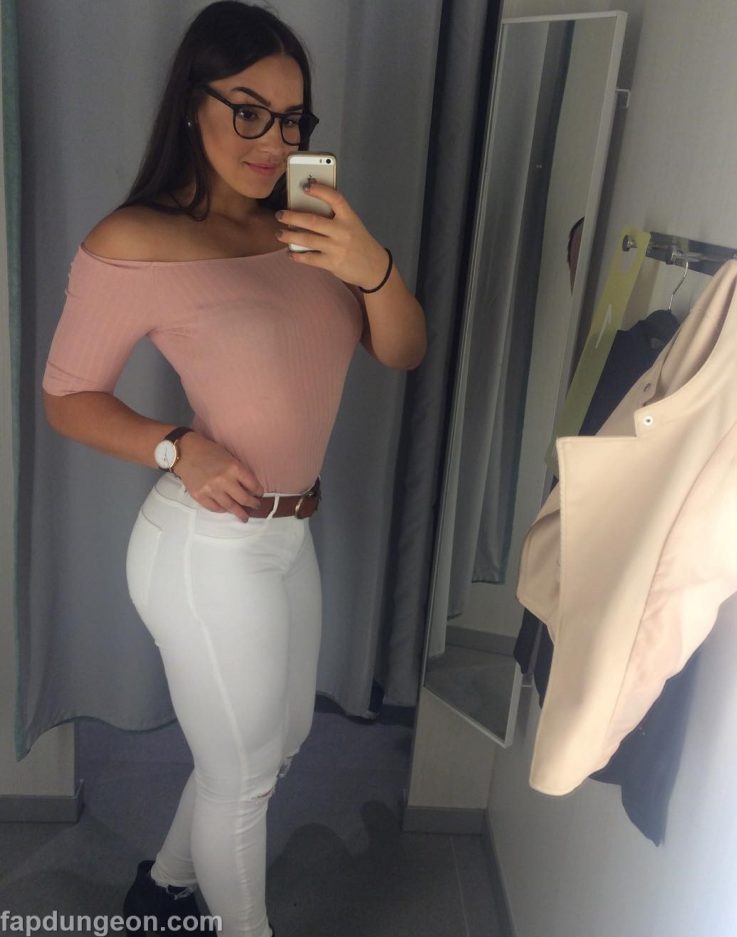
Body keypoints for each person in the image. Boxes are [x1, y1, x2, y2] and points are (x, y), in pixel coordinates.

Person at [41, 3, 426, 935]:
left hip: (289, 534)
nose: (273, 141)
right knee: (243, 777)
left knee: (275, 749)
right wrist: (178, 446)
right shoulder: (135, 239)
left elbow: (403, 350)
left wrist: (371, 265)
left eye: (292, 119)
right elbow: (67, 395)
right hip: (204, 545)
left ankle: (163, 886)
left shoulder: (309, 225)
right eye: (247, 110)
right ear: (193, 102)